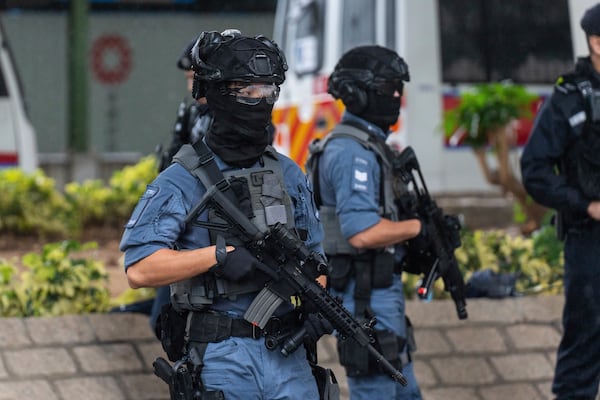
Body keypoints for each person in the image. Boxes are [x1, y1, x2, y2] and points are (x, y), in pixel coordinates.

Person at [120, 29, 332, 400]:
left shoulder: (289, 174)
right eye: (246, 90)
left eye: (268, 90)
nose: (259, 98)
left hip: (288, 352)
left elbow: (317, 261)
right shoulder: (181, 179)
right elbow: (140, 269)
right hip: (222, 351)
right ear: (215, 93)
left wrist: (317, 306)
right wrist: (218, 257)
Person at [305, 45, 423, 399]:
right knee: (376, 389)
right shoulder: (351, 152)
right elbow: (361, 232)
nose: (397, 97)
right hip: (364, 294)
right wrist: (417, 228)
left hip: (377, 290)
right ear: (358, 94)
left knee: (405, 392)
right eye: (389, 89)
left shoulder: (370, 145)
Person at [520, 4, 600, 400]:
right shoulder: (569, 99)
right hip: (591, 240)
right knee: (586, 334)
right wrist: (586, 205)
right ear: (597, 42)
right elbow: (534, 169)